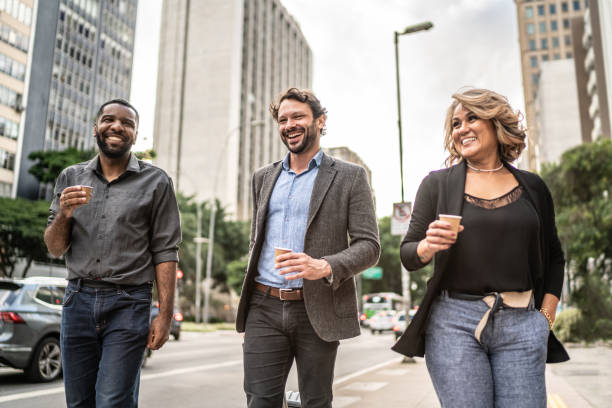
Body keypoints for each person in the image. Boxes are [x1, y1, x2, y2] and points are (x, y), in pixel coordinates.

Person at [391, 88, 569, 407]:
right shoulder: (437, 184)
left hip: (522, 322)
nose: (462, 128)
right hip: (453, 323)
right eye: (455, 124)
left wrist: (545, 318)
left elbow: (555, 257)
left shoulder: (534, 187)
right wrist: (427, 246)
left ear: (495, 122)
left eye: (471, 118)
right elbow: (408, 254)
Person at [236, 88, 380, 408]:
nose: (290, 125)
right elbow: (255, 242)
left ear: (320, 121)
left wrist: (325, 266)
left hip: (317, 306)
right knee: (259, 401)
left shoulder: (350, 177)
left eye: (298, 116)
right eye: (283, 119)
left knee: (315, 401)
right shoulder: (263, 177)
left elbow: (369, 245)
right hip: (264, 305)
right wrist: (248, 310)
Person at [44, 99, 181, 407]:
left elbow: (166, 251)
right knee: (79, 402)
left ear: (135, 134)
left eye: (127, 123)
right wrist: (64, 213)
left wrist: (164, 316)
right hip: (77, 300)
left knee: (112, 401)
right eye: (109, 119)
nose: (117, 126)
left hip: (129, 303)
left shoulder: (156, 181)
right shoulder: (70, 177)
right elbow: (54, 248)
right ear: (96, 128)